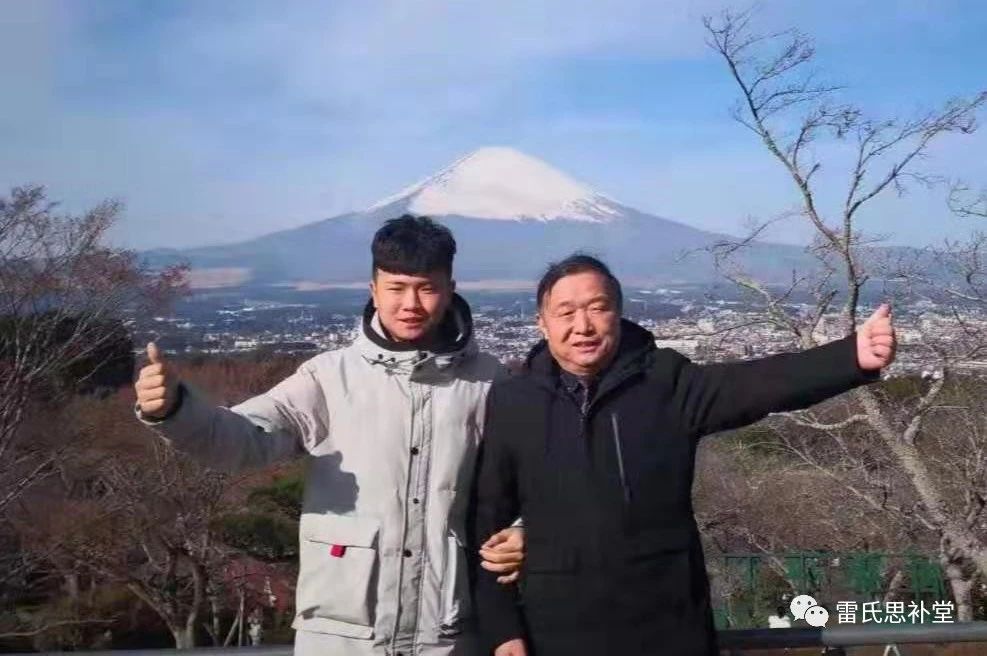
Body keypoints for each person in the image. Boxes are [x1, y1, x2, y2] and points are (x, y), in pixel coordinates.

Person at [136, 215, 524, 656]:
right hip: (342, 634)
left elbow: (527, 479)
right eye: (396, 288)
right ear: (373, 289)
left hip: (449, 633)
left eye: (426, 287)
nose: (410, 303)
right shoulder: (328, 377)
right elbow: (246, 438)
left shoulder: (489, 381)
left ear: (450, 289)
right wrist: (176, 410)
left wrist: (521, 530)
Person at [471, 254, 896, 656]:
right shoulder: (515, 402)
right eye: (565, 312)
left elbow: (756, 383)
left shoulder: (665, 383)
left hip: (667, 625)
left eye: (597, 308)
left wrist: (851, 358)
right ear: (542, 323)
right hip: (556, 631)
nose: (582, 325)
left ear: (618, 313)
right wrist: (503, 629)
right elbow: (486, 521)